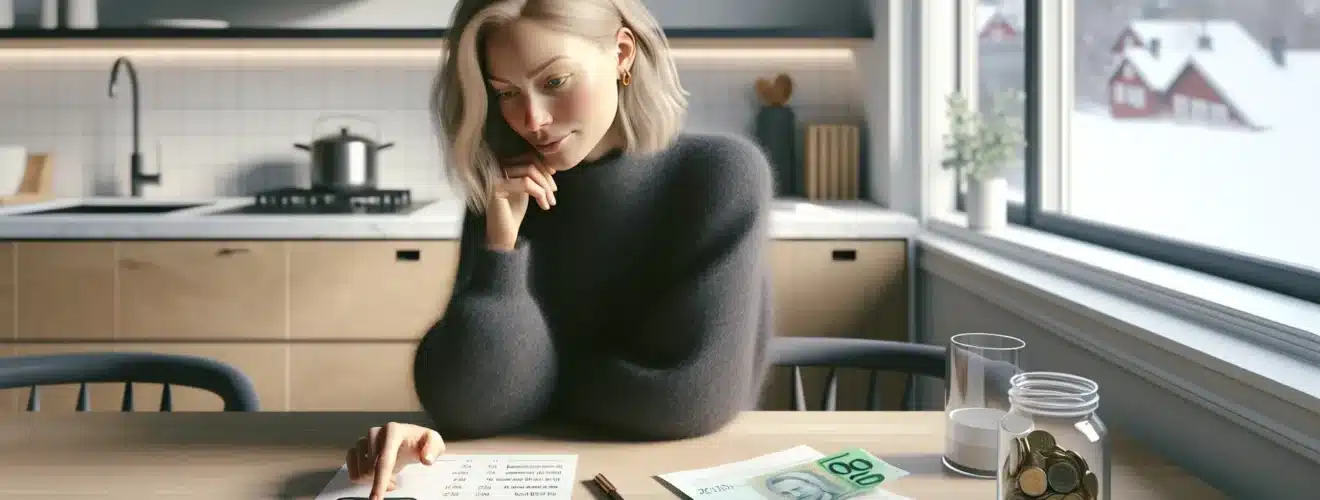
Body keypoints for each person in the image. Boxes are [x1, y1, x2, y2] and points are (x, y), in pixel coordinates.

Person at [344, 0, 775, 496]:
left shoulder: (720, 175)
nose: (531, 119)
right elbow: (468, 405)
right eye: (505, 93)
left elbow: (687, 400)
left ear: (621, 54)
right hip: (544, 476)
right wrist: (501, 248)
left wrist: (531, 384)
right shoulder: (507, 192)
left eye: (554, 82)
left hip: (661, 481)